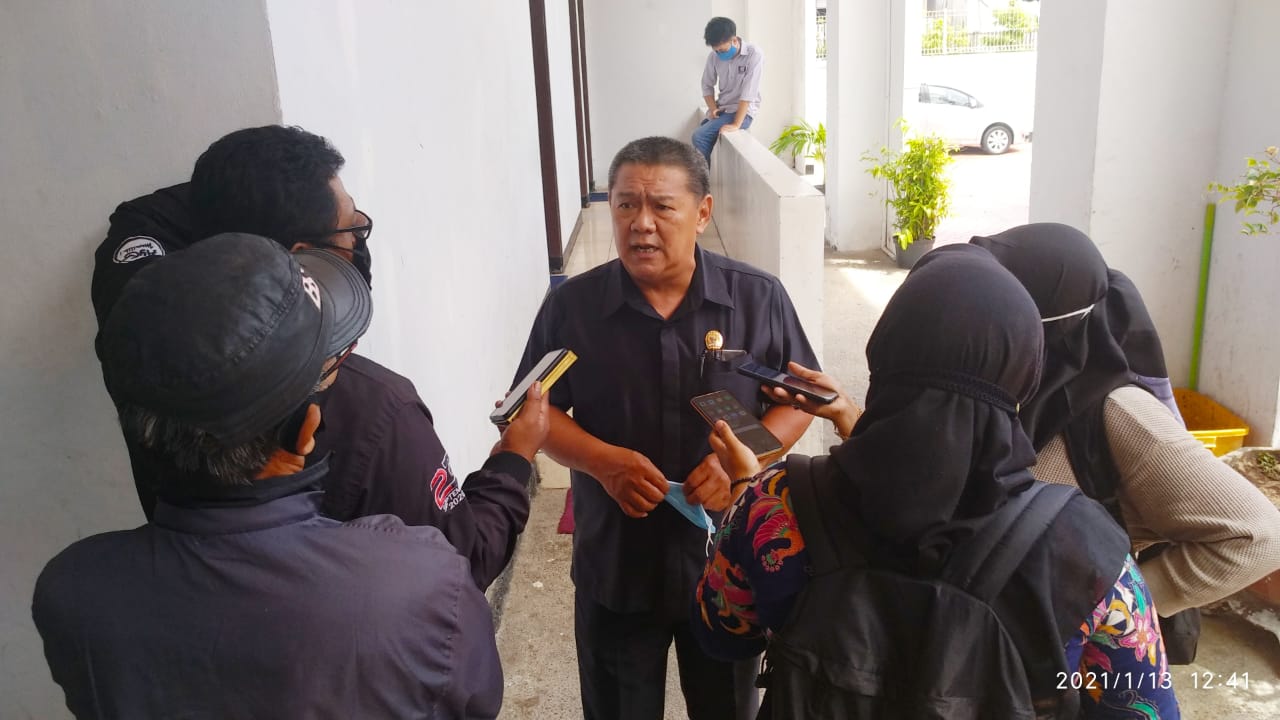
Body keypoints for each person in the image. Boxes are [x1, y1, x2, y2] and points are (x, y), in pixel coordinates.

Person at [35, 233, 550, 718]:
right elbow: (475, 700)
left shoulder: (72, 593)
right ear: (305, 430)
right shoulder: (422, 584)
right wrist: (512, 459)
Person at [695, 245, 1181, 718]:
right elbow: (1143, 708)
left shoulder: (776, 505)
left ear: (883, 353)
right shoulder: (1085, 551)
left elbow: (723, 634)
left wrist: (744, 488)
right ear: (1023, 376)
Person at [90, 125, 530, 590]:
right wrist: (514, 458)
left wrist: (244, 194)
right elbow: (465, 562)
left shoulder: (140, 334)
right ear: (305, 261)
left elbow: (142, 217)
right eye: (351, 228)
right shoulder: (378, 408)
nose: (359, 238)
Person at [511, 136, 819, 720]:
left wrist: (739, 461)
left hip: (728, 563)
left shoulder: (757, 299)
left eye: (662, 206)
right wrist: (604, 463)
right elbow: (535, 412)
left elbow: (801, 401)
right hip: (617, 563)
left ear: (702, 213)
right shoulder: (573, 309)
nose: (641, 224)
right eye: (626, 205)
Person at [970, 223, 1280, 619]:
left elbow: (1257, 537)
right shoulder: (1001, 387)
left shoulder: (1120, 412)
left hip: (1057, 649)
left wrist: (1108, 613)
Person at [692, 17, 763, 167]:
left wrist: (736, 124)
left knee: (699, 136)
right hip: (723, 109)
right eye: (716, 50)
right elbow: (706, 85)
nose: (719, 54)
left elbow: (748, 92)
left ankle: (702, 181)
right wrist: (713, 109)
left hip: (742, 112)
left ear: (734, 40)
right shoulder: (714, 56)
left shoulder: (754, 54)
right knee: (701, 131)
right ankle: (702, 177)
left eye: (722, 50)